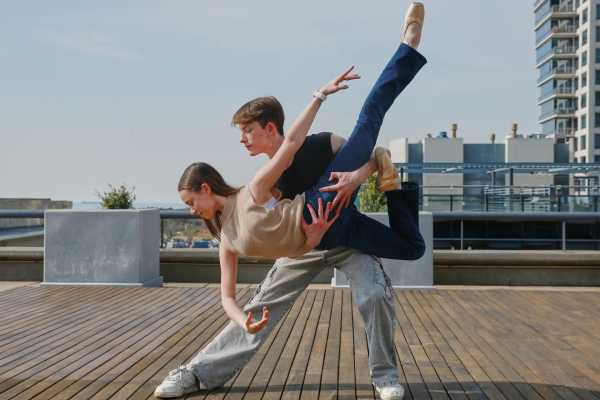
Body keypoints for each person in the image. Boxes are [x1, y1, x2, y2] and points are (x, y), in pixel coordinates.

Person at [154, 3, 426, 399]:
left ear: (269, 129)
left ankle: (384, 377)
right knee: (262, 305)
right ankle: (196, 373)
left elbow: (372, 149)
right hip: (304, 246)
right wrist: (308, 242)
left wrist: (358, 176)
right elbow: (261, 229)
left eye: (247, 131)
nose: (243, 140)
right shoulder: (267, 183)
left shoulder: (321, 144)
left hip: (347, 236)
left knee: (375, 294)